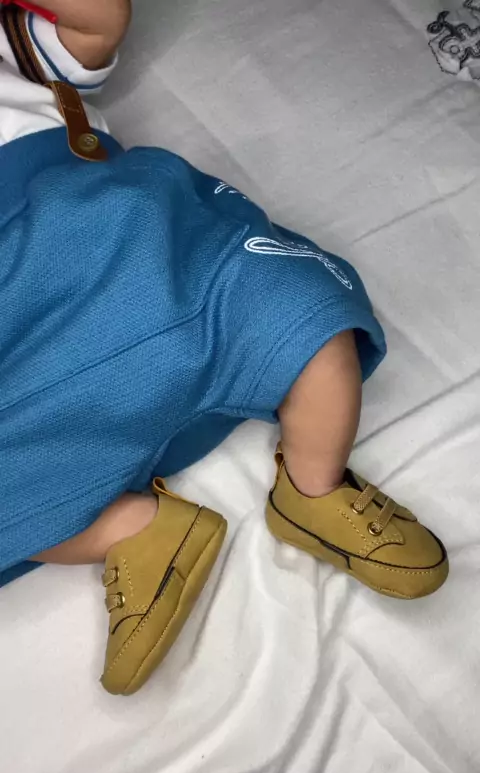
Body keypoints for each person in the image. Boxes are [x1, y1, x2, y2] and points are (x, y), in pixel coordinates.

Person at [0, 0, 448, 696]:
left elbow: (99, 20)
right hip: (20, 342)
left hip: (115, 237)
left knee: (292, 310)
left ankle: (314, 483)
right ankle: (133, 529)